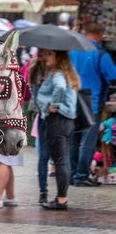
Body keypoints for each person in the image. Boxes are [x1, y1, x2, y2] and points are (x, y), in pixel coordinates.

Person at [70, 23, 116, 186]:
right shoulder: (100, 54)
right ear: (99, 35)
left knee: (73, 140)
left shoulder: (72, 51)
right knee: (87, 142)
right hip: (92, 102)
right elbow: (113, 76)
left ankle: (71, 175)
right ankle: (81, 176)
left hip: (71, 100)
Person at [36, 49, 80, 210]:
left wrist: (53, 105)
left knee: (59, 161)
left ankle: (61, 199)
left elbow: (59, 88)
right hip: (67, 121)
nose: (45, 57)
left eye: (49, 54)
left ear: (58, 57)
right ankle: (62, 197)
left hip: (57, 120)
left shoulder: (58, 74)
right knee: (63, 160)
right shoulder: (66, 73)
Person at [28, 51, 51, 204]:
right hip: (48, 116)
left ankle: (43, 192)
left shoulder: (35, 67)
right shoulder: (38, 69)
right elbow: (36, 96)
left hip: (42, 116)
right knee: (50, 157)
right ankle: (45, 192)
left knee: (44, 157)